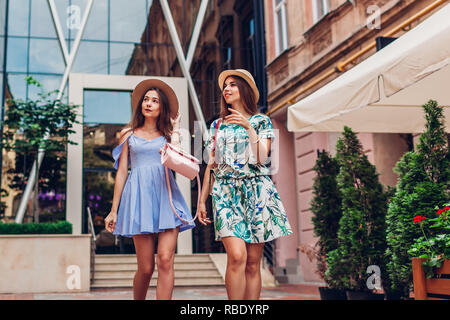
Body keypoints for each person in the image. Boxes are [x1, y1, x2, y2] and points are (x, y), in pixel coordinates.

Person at [198, 69, 293, 300]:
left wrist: (248, 127)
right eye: (225, 86)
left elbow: (261, 158)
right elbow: (212, 165)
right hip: (226, 193)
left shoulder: (261, 121)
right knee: (237, 256)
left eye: (233, 85)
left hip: (256, 193)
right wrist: (202, 201)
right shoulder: (217, 126)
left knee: (252, 263)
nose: (227, 89)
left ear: (245, 90)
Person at [104, 79, 195, 300]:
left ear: (162, 107)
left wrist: (174, 134)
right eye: (146, 99)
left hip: (166, 197)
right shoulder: (128, 134)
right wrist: (113, 210)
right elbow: (122, 172)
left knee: (165, 259)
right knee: (145, 268)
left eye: (154, 101)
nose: (149, 103)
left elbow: (180, 164)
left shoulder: (169, 135)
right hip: (139, 199)